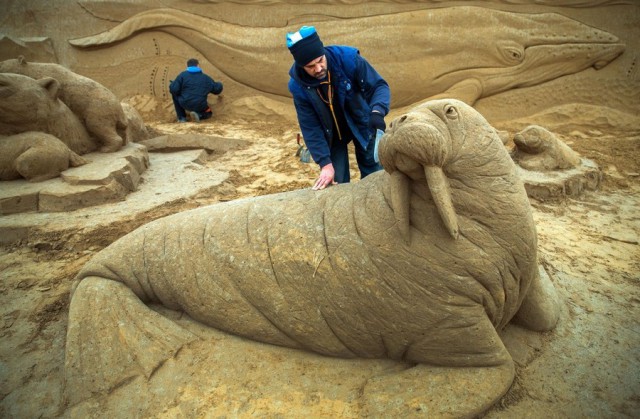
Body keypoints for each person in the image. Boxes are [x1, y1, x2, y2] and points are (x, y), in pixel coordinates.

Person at [286, 26, 390, 190]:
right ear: (301, 66)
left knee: (374, 176)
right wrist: (324, 163)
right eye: (310, 66)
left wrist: (377, 111)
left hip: (362, 121)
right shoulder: (298, 86)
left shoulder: (348, 60)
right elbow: (310, 127)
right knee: (336, 185)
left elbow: (379, 86)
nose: (318, 69)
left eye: (320, 60)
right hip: (331, 135)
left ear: (323, 53)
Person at [169, 58, 223, 123]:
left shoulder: (182, 75)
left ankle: (182, 118)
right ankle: (199, 115)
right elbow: (217, 90)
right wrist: (220, 84)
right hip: (200, 105)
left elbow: (174, 90)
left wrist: (173, 84)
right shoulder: (205, 78)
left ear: (187, 66)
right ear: (198, 65)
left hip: (184, 103)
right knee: (209, 113)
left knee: (175, 95)